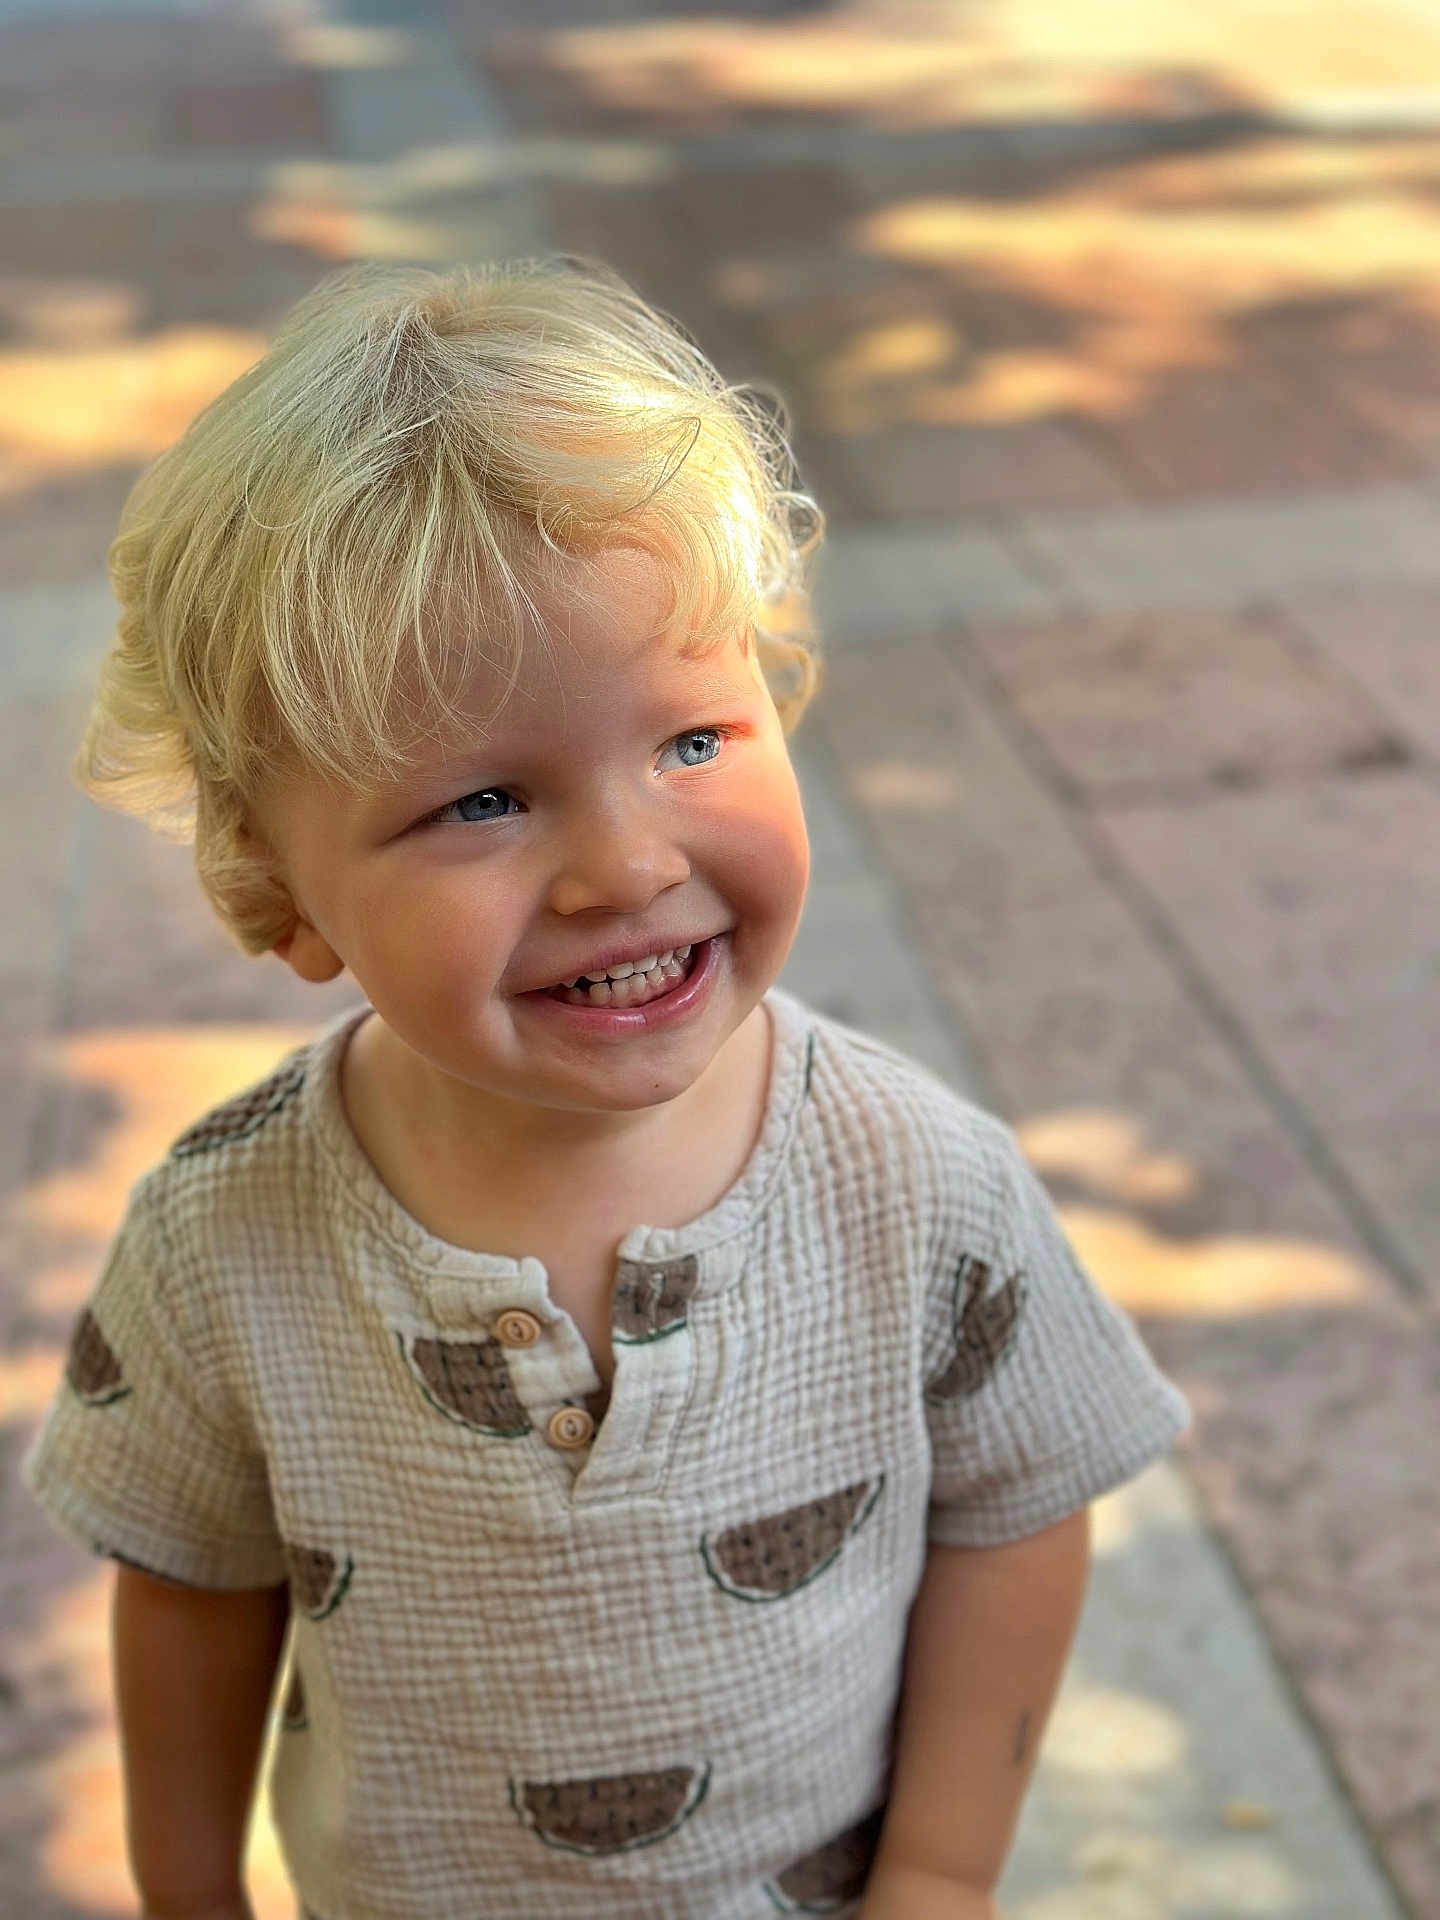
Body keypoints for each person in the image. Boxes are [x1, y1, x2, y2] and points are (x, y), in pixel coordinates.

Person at [25, 258, 1188, 1920]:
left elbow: (1018, 1509)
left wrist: (940, 1873)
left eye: (694, 738)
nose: (624, 865)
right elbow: (194, 1585)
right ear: (270, 886)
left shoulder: (913, 1177)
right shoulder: (228, 1236)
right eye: (485, 799)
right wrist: (189, 1892)